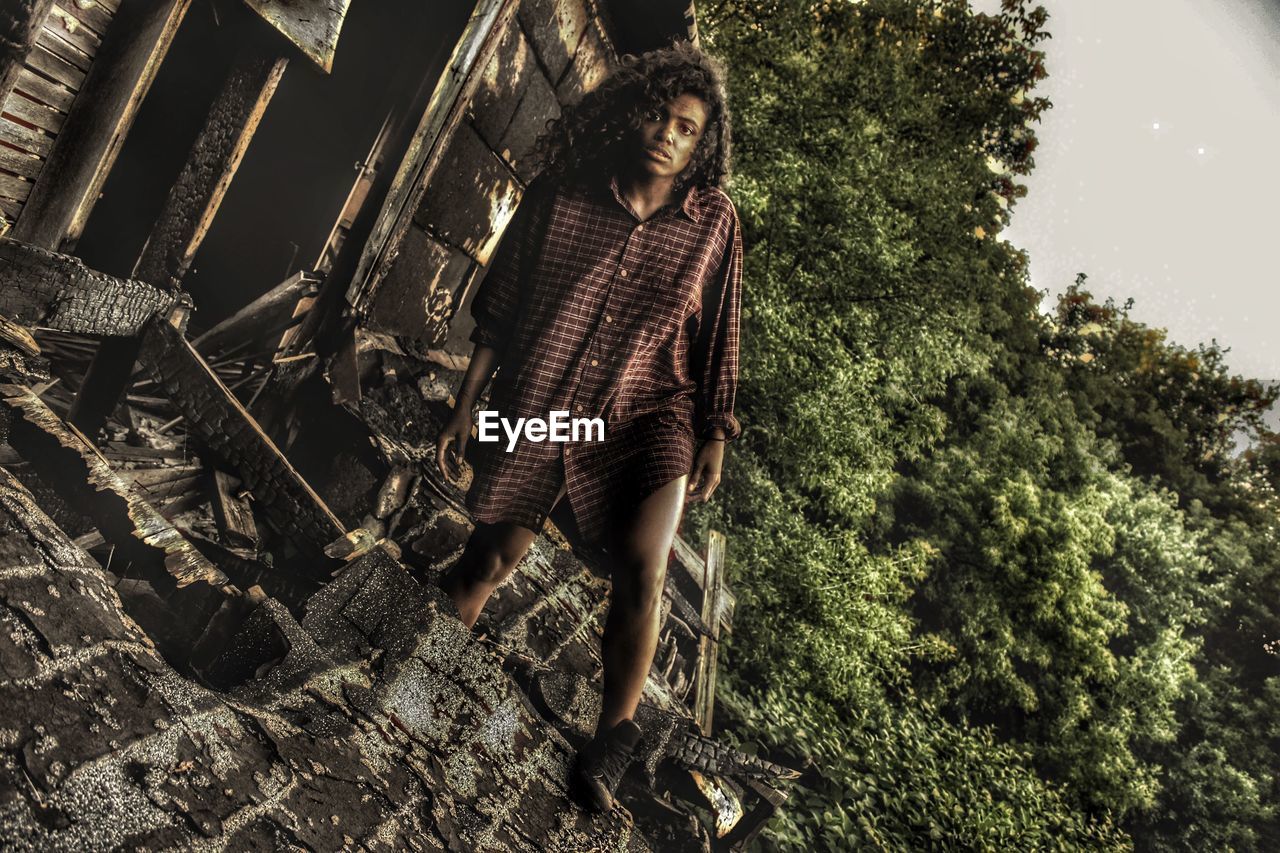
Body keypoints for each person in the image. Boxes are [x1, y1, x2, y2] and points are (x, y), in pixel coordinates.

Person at [433, 40, 742, 813]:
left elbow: (721, 332)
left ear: (702, 144)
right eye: (659, 116)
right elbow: (499, 310)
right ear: (630, 113)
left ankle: (610, 743)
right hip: (544, 397)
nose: (669, 135)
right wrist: (469, 404)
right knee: (491, 554)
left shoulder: (715, 224)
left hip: (652, 413)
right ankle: (426, 649)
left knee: (647, 569)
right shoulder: (562, 191)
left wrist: (715, 430)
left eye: (687, 127)